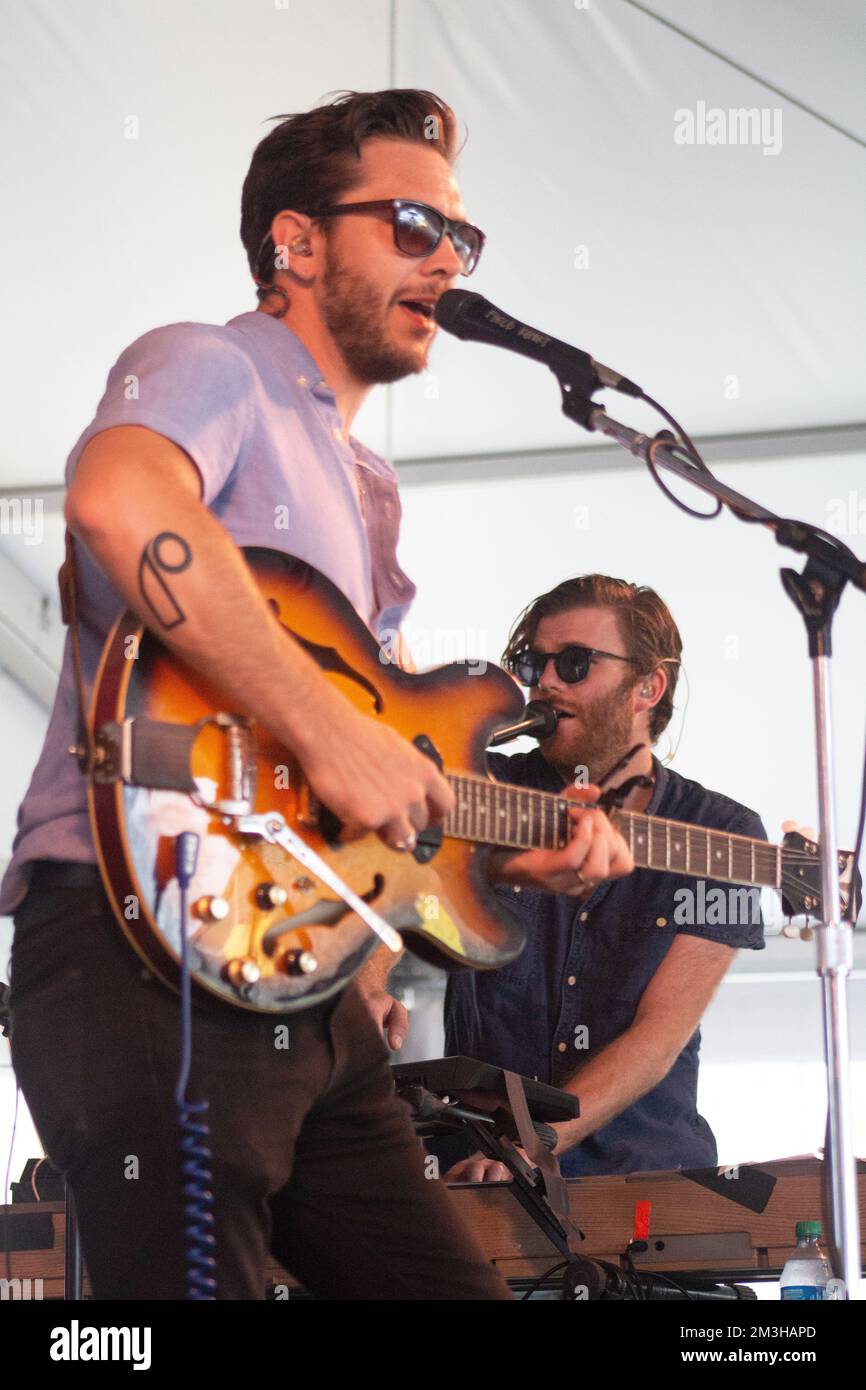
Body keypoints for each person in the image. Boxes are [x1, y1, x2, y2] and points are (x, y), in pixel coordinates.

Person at [0, 90, 632, 1299]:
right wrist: (334, 728)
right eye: (408, 222)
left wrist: (499, 855)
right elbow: (121, 504)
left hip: (306, 982)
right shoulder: (211, 361)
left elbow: (353, 795)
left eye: (458, 235)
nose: (445, 257)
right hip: (142, 946)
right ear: (293, 243)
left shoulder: (363, 486)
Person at [415, 574, 765, 1181]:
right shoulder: (484, 788)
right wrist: (368, 981)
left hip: (642, 1177)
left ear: (648, 686)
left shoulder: (728, 834)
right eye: (533, 663)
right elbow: (383, 865)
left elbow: (660, 1034)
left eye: (575, 663)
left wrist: (537, 1143)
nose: (545, 682)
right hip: (471, 1165)